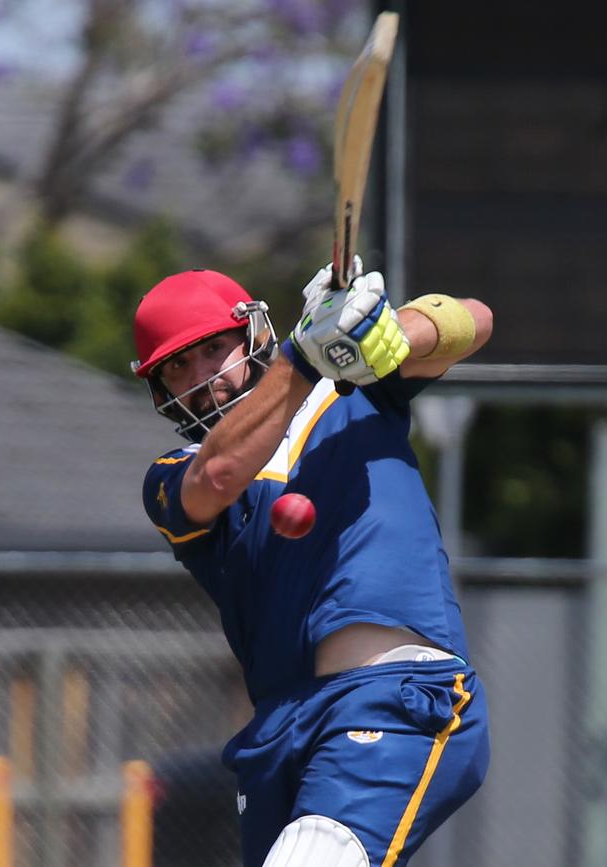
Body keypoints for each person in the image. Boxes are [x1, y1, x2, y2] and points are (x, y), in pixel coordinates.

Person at [132, 262, 493, 867]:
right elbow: (219, 476)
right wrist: (302, 356)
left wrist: (385, 332)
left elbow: (476, 320)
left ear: (252, 335)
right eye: (177, 366)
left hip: (394, 698)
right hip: (280, 729)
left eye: (213, 349)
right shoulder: (174, 474)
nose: (202, 378)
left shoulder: (355, 388)